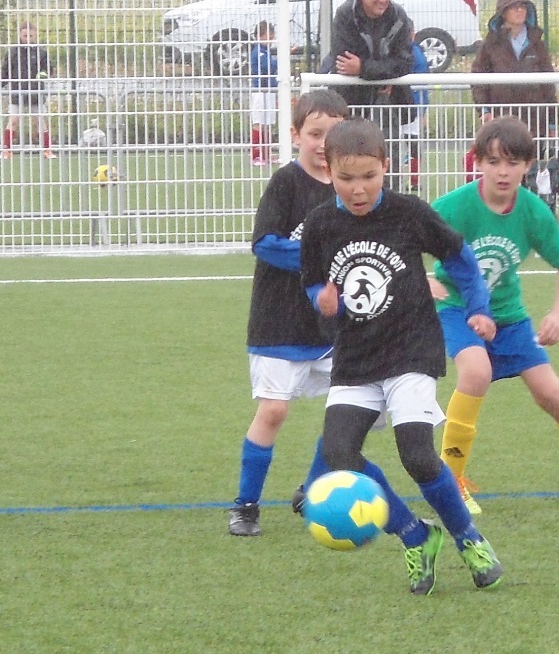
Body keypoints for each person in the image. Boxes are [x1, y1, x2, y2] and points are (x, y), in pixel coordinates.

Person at [298, 117, 503, 595]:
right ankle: (414, 535)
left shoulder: (409, 212)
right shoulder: (320, 224)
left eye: (369, 176)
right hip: (355, 357)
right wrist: (321, 301)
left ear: (385, 167)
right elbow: (312, 281)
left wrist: (478, 307)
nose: (359, 188)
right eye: (346, 178)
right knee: (339, 454)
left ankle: (469, 539)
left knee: (417, 456)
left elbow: (459, 257)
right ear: (328, 171)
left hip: (412, 350)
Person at [432, 116, 559, 514]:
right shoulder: (453, 207)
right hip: (458, 310)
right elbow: (402, 241)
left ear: (528, 165)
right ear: (477, 162)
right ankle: (452, 485)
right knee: (475, 373)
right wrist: (422, 281)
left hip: (509, 318)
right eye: (494, 161)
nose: (503, 172)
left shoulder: (533, 211)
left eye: (513, 162)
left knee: (551, 394)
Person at [228, 89, 349, 537]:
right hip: (279, 323)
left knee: (354, 410)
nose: (322, 143)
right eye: (314, 133)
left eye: (333, 135)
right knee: (274, 411)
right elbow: (264, 243)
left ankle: (312, 487)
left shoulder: (350, 187)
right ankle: (245, 505)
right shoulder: (286, 182)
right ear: (296, 134)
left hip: (332, 328)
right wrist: (317, 258)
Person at [324, 0, 413, 190]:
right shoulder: (345, 14)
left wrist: (363, 68)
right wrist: (383, 74)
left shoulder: (399, 16)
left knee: (389, 161)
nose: (383, 1)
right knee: (348, 157)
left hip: (389, 104)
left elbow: (404, 63)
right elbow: (343, 62)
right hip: (351, 104)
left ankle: (389, 201)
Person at [471, 0, 557, 149]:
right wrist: (484, 109)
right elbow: (478, 77)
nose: (519, 10)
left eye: (523, 6)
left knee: (532, 159)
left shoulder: (537, 43)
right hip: (501, 120)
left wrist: (552, 121)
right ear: (503, 13)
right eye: (514, 7)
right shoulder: (491, 44)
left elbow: (548, 84)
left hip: (535, 119)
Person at [0, 21, 55, 160]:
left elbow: (48, 69)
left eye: (30, 36)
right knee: (13, 120)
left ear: (35, 35)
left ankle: (47, 150)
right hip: (17, 91)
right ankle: (6, 150)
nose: (27, 39)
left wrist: (44, 74)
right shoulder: (13, 52)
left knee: (39, 120)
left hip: (35, 91)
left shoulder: (41, 53)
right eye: (25, 36)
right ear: (20, 35)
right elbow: (6, 70)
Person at [398, 26, 428, 192]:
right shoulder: (417, 51)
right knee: (411, 143)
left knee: (404, 142)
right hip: (412, 105)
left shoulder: (410, 52)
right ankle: (414, 181)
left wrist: (421, 108)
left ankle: (407, 179)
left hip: (407, 105)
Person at [249, 21, 278, 167]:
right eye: (269, 37)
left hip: (269, 90)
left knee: (268, 122)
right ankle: (256, 156)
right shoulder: (258, 51)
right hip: (260, 90)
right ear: (260, 36)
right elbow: (267, 67)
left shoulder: (266, 51)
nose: (271, 41)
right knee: (259, 122)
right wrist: (281, 59)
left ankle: (266, 154)